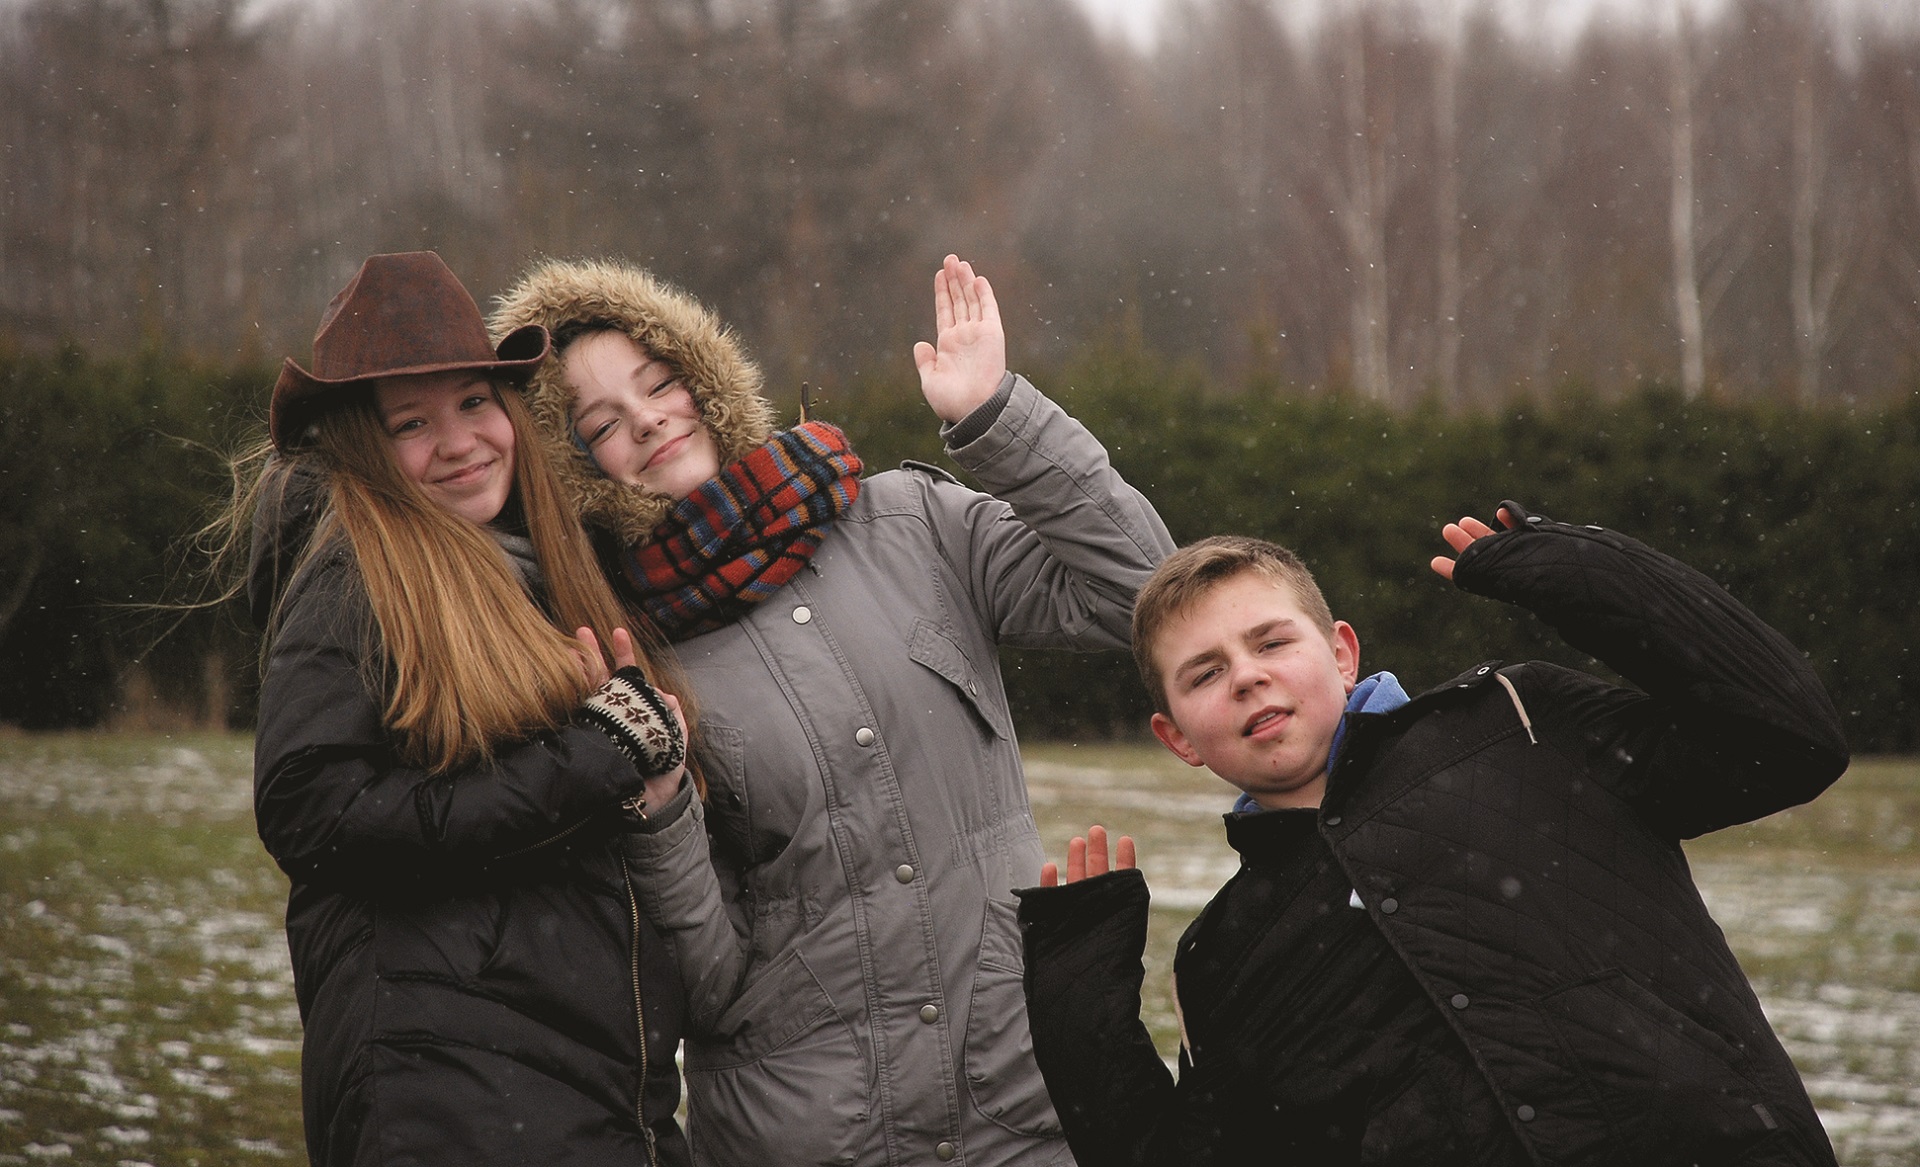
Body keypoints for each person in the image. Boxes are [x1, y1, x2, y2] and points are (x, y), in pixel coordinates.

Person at [486, 254, 1175, 1166]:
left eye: (660, 382)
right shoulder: (616, 656)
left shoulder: (909, 522)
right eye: (601, 423)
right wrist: (658, 808)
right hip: (811, 1135)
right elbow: (710, 978)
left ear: (709, 378)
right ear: (574, 468)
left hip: (1024, 1106)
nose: (648, 417)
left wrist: (997, 418)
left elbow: (1144, 593)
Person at [1016, 502, 1851, 1166]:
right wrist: (1077, 995)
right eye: (1205, 672)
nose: (1247, 675)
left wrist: (1578, 570)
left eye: (1271, 640)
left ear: (1343, 652)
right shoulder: (1222, 957)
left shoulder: (1518, 720)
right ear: (1179, 739)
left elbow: (1785, 738)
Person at [235, 251, 695, 1166]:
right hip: (450, 1094)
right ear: (364, 445)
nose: (459, 442)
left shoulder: (526, 569)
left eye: (476, 403)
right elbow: (310, 810)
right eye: (412, 422)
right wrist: (592, 756)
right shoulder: (355, 578)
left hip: (585, 1088)